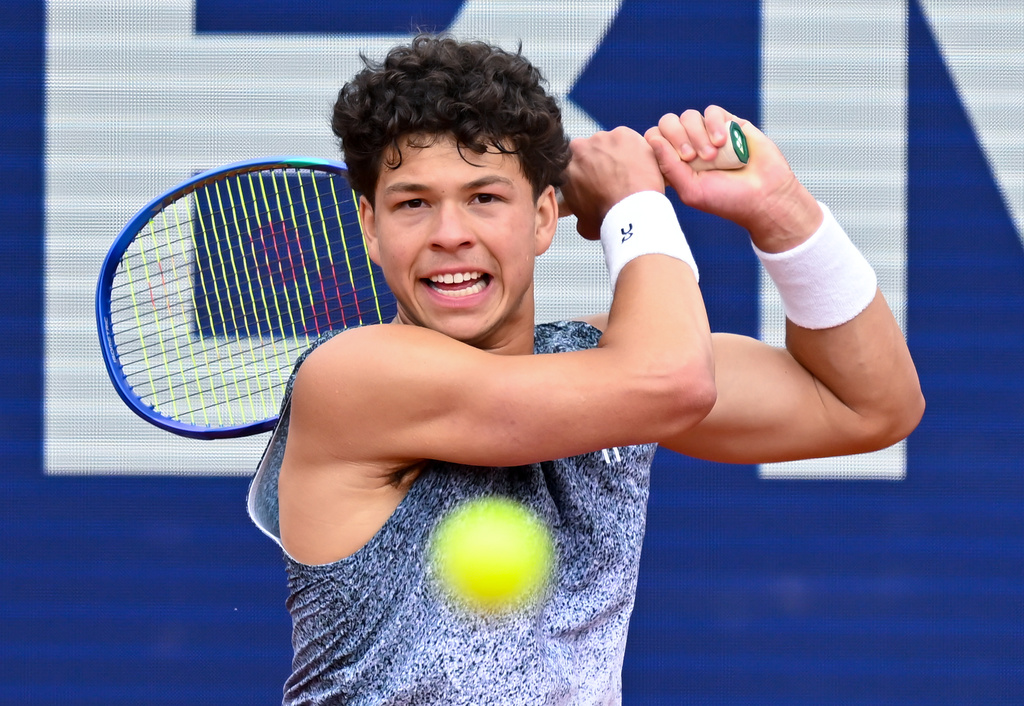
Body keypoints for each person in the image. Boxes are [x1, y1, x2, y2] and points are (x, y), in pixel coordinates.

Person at [247, 34, 924, 704]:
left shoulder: (606, 364)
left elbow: (870, 406)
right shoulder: (353, 378)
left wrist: (783, 212)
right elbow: (673, 381)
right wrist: (635, 204)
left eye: (485, 198)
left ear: (544, 216)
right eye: (413, 203)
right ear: (370, 225)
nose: (449, 232)